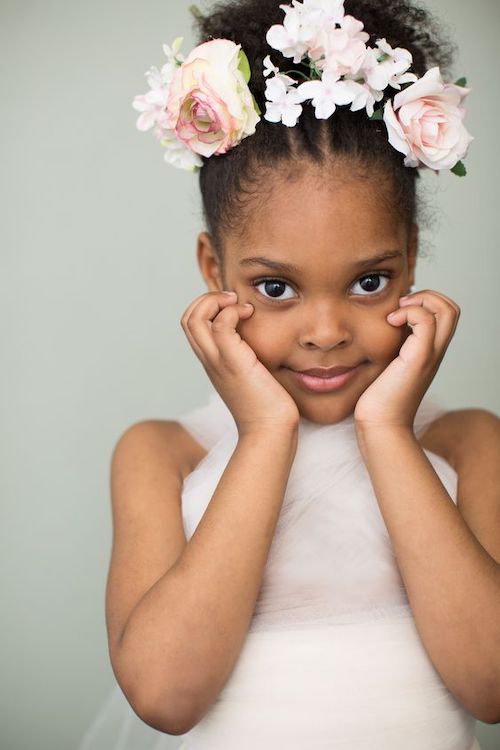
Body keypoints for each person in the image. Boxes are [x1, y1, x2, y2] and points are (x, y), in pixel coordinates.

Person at [78, 1, 500, 748]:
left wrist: (390, 433)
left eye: (370, 281)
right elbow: (166, 696)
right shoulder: (162, 455)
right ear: (215, 271)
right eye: (276, 287)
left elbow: (491, 685)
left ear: (410, 256)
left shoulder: (468, 445)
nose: (329, 332)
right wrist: (266, 434)